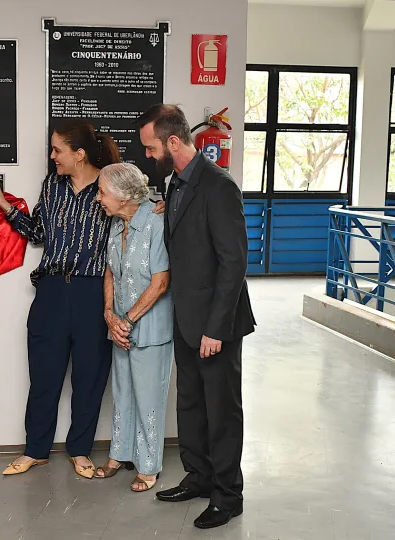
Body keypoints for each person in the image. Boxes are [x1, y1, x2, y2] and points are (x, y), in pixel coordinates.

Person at [136, 104, 255, 528]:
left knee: (221, 410)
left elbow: (233, 263)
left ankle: (228, 495)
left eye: (151, 148)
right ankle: (199, 477)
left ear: (172, 142)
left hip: (214, 326)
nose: (147, 156)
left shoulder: (219, 186)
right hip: (184, 319)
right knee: (190, 405)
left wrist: (216, 328)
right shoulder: (175, 185)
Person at [0, 119, 120, 479]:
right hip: (52, 291)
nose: (52, 156)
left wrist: (160, 207)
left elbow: (134, 215)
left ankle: (80, 450)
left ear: (80, 154)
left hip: (93, 292)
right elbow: (38, 233)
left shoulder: (110, 185)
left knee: (90, 377)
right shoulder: (52, 185)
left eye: (58, 150)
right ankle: (35, 450)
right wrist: (5, 207)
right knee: (44, 375)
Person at [91, 162, 172, 493]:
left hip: (149, 328)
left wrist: (127, 320)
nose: (98, 199)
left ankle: (149, 465)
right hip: (120, 326)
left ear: (123, 195)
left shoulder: (156, 221)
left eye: (102, 192)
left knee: (148, 396)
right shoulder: (115, 224)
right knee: (122, 392)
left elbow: (161, 282)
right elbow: (110, 271)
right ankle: (119, 454)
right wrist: (109, 314)